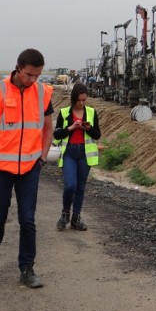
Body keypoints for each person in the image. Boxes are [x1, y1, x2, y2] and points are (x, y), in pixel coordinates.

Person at [0, 48, 54, 288]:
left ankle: (27, 268)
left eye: (37, 75)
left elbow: (48, 128)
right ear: (18, 67)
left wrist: (41, 158)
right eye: (29, 74)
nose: (33, 80)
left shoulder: (43, 93)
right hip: (0, 168)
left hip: (30, 168)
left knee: (28, 219)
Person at [53, 82, 101, 231]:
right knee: (70, 185)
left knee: (80, 187)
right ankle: (65, 214)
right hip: (70, 153)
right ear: (74, 98)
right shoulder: (64, 112)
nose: (81, 103)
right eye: (79, 100)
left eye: (84, 100)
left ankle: (76, 219)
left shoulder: (92, 113)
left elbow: (97, 135)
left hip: (85, 155)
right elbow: (57, 134)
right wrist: (71, 128)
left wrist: (89, 128)